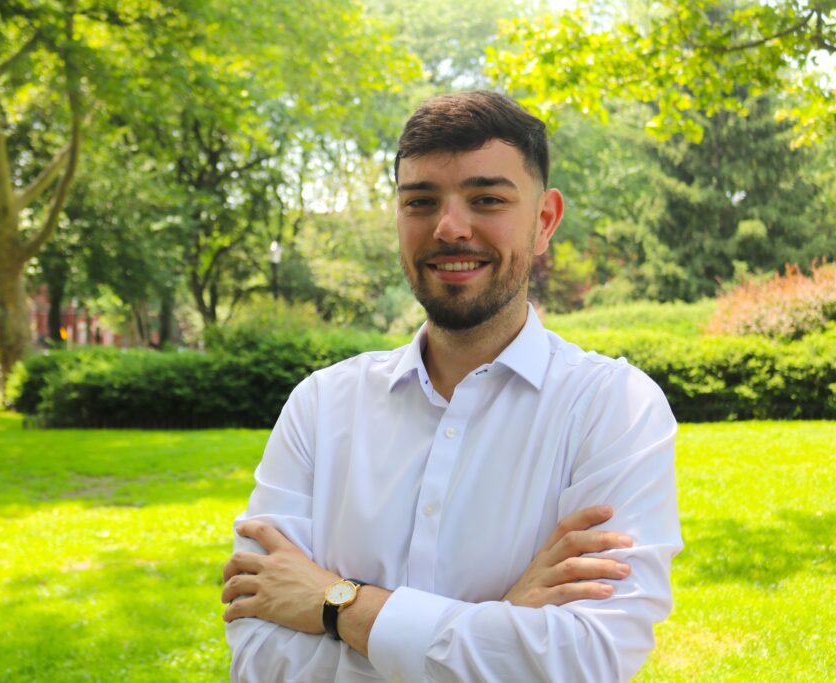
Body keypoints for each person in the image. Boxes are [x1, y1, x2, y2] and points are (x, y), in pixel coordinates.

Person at [222, 91, 682, 682]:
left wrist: (336, 605)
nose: (449, 227)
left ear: (544, 221)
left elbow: (585, 658)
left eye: (487, 199)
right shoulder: (320, 406)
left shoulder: (614, 407)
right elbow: (259, 658)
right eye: (421, 201)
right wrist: (502, 625)